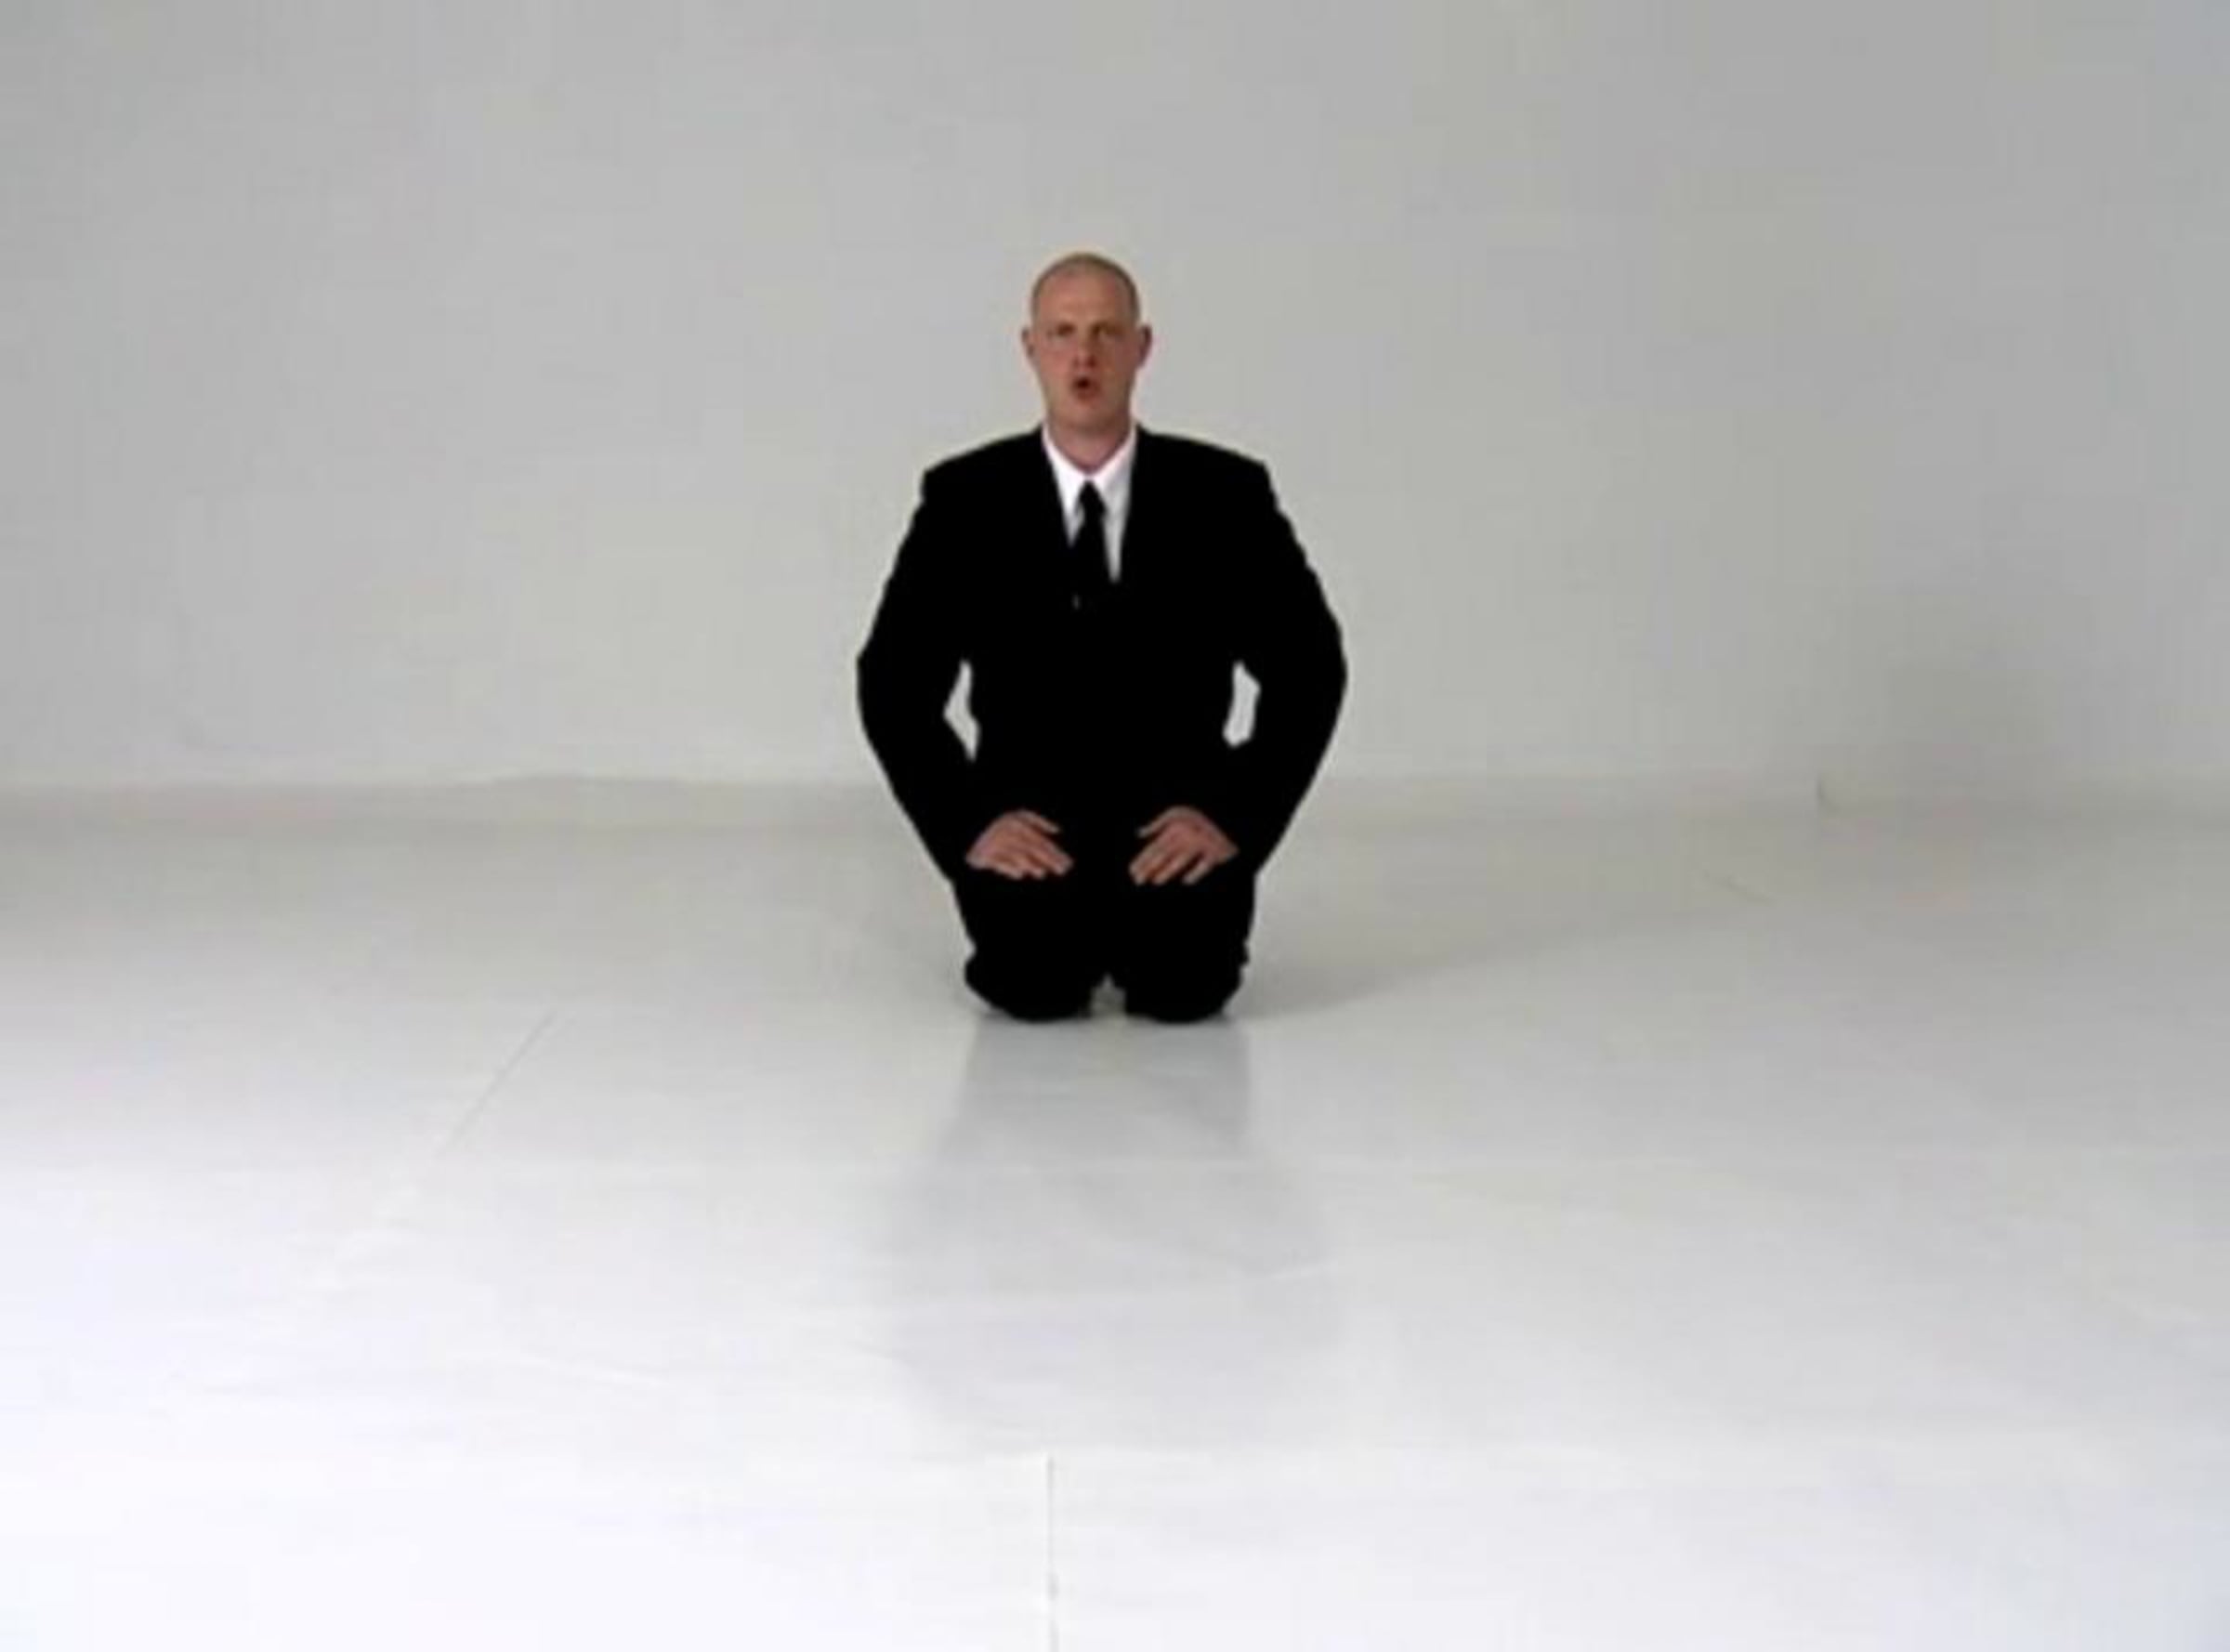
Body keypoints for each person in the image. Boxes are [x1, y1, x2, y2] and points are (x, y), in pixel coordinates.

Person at [857, 252, 1345, 1022]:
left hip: (1173, 826)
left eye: (1106, 333)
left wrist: (1234, 817)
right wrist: (969, 825)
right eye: (1062, 333)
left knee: (1185, 990)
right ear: (1030, 348)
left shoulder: (1225, 497)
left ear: (1142, 348)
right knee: (1032, 987)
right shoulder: (964, 502)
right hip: (1033, 829)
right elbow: (891, 684)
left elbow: (1310, 669)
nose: (1083, 356)